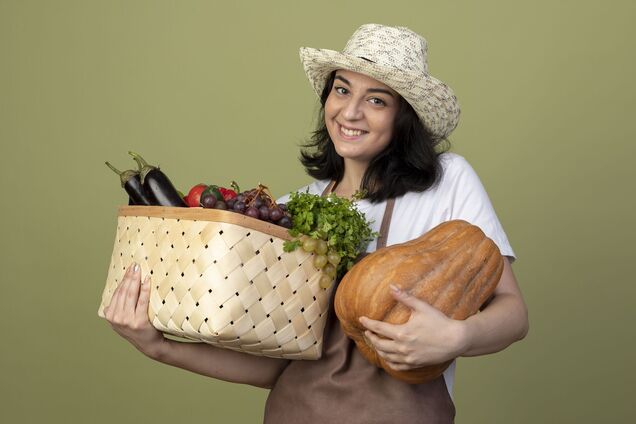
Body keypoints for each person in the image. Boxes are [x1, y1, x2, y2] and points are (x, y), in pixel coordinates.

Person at [103, 24, 529, 423]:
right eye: (341, 90)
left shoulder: (446, 181)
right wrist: (159, 347)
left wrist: (457, 338)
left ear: (404, 117)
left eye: (377, 100)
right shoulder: (293, 210)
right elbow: (276, 367)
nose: (351, 112)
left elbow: (512, 314)